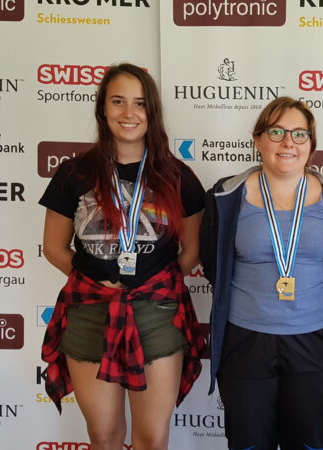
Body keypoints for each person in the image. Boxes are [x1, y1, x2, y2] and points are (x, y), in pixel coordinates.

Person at [38, 63, 206, 450]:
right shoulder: (73, 174)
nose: (129, 113)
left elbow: (193, 250)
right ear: (103, 108)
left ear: (152, 112)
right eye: (118, 101)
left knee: (152, 438)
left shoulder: (178, 176)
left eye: (140, 103)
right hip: (90, 312)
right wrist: (96, 283)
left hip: (158, 315)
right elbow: (54, 247)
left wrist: (154, 286)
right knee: (104, 436)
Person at [200, 96, 323, 450]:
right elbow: (213, 265)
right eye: (276, 132)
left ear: (311, 144)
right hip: (245, 342)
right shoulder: (225, 195)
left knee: (307, 444)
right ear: (258, 139)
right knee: (247, 444)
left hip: (315, 342)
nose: (288, 142)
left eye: (299, 134)